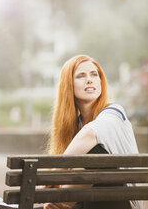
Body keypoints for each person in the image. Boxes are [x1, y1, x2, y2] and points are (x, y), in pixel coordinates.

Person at [44, 55, 142, 209]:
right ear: (68, 85)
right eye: (81, 76)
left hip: (122, 202)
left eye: (94, 74)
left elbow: (89, 134)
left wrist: (55, 175)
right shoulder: (74, 126)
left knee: (96, 153)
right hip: (90, 202)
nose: (89, 80)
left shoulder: (115, 112)